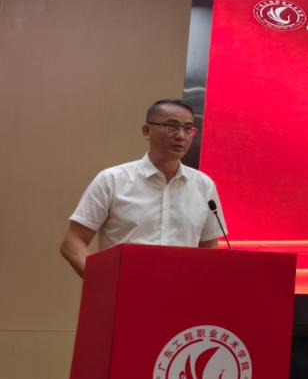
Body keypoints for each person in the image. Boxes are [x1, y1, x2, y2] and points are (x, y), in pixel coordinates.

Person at [59, 99, 227, 277]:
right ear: (147, 130)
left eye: (187, 128)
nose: (181, 136)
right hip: (125, 289)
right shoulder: (112, 180)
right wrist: (104, 281)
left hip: (181, 290)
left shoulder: (204, 185)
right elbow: (72, 243)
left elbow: (209, 250)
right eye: (172, 126)